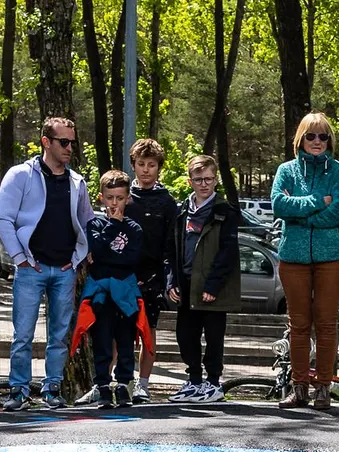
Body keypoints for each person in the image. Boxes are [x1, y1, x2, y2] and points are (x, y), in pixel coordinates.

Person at [0, 116, 92, 410]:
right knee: (23, 334)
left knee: (59, 335)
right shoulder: (20, 175)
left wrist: (76, 258)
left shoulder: (77, 182)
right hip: (30, 269)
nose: (69, 148)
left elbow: (87, 223)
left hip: (64, 269)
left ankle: (52, 389)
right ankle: (19, 390)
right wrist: (21, 258)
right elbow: (2, 219)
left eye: (72, 142)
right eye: (64, 142)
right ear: (46, 142)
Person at [271, 111, 339, 410]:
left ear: (329, 140)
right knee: (299, 325)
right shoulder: (286, 171)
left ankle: (323, 387)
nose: (317, 141)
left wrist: (300, 214)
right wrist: (319, 201)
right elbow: (279, 205)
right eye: (311, 135)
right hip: (293, 258)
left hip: (332, 257)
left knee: (327, 323)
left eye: (323, 136)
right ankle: (299, 387)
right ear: (300, 139)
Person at [167, 155, 240, 403]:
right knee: (185, 335)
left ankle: (212, 382)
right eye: (198, 180)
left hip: (211, 287)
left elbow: (228, 252)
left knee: (213, 335)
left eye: (209, 179)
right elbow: (171, 251)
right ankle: (194, 380)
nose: (204, 184)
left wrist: (213, 285)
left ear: (216, 179)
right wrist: (171, 281)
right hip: (185, 283)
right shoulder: (180, 212)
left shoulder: (224, 211)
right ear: (190, 181)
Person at [79, 170, 145, 408]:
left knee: (126, 341)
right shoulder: (95, 224)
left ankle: (125, 383)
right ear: (101, 197)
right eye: (110, 198)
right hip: (101, 295)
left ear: (128, 198)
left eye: (119, 198)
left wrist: (106, 255)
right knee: (102, 341)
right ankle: (103, 386)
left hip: (125, 294)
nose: (114, 203)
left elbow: (131, 259)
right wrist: (112, 227)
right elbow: (95, 249)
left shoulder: (135, 228)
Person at [126, 138, 178, 404]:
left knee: (148, 332)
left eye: (152, 165)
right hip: (123, 275)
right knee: (117, 333)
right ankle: (115, 382)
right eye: (141, 164)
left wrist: (169, 279)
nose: (146, 170)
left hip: (153, 277)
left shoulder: (167, 202)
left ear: (159, 168)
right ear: (133, 165)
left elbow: (171, 246)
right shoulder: (123, 196)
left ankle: (142, 384)